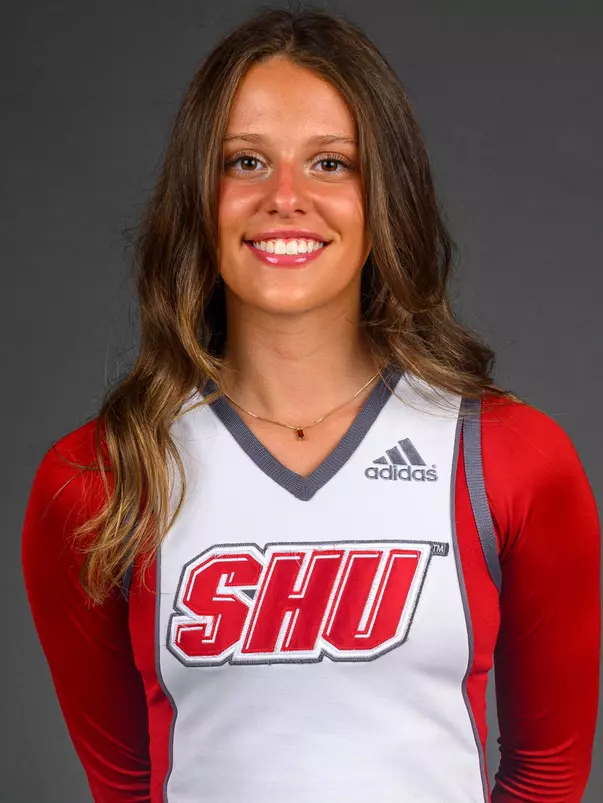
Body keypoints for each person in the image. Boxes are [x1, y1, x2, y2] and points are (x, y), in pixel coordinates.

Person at [21, 6, 600, 803]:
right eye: (245, 161)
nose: (285, 197)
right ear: (197, 196)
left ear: (384, 197)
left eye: (330, 164)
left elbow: (546, 773)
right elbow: (124, 783)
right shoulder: (100, 476)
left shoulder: (508, 456)